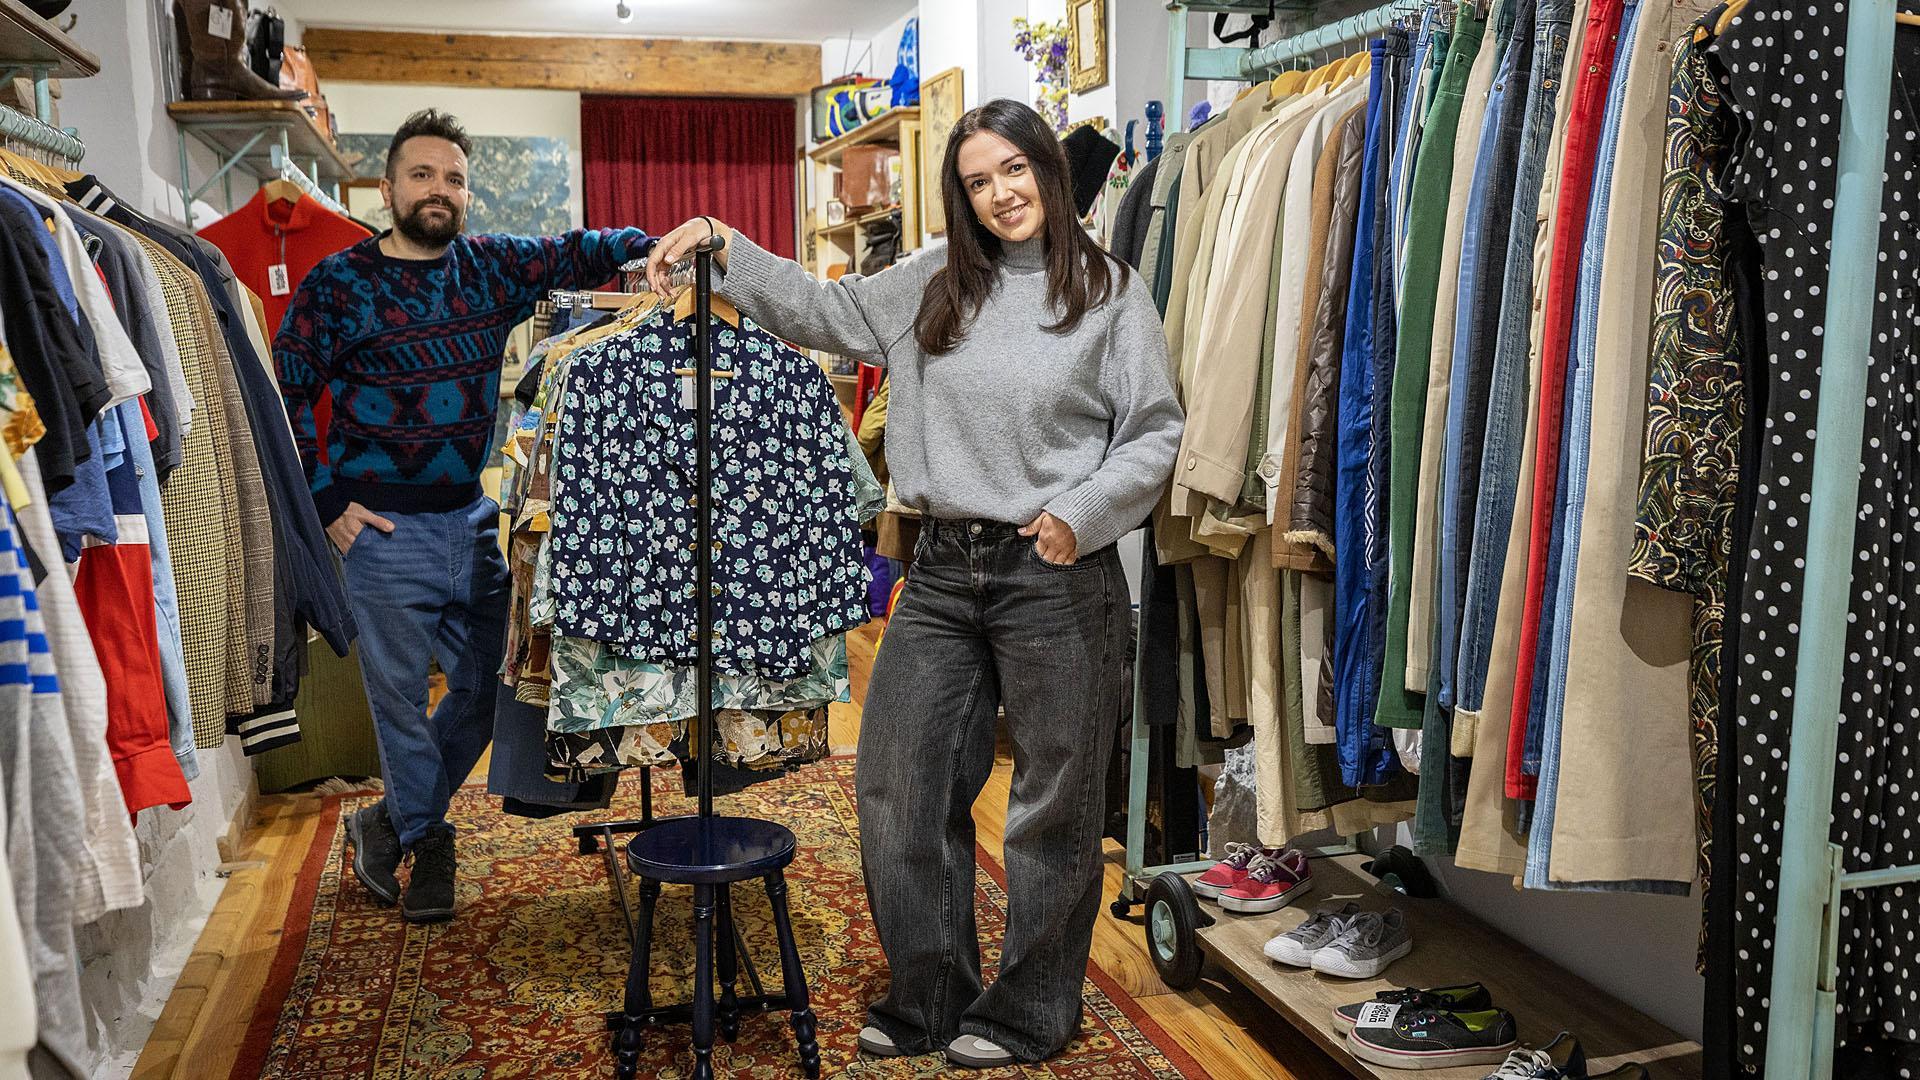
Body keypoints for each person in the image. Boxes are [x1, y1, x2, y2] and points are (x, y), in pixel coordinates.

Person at [646, 98, 1183, 1068]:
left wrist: (1083, 512)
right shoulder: (932, 282)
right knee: (898, 786)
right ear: (959, 196)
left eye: (1014, 170)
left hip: (1056, 572)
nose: (1001, 193)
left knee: (1052, 808)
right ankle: (930, 998)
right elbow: (824, 309)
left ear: (1047, 170)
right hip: (940, 570)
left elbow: (1154, 432)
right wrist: (726, 244)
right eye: (978, 182)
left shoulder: (1110, 291)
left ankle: (1029, 1013)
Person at [275, 109, 655, 923]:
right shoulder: (337, 284)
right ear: (388, 189)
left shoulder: (488, 269)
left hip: (473, 523)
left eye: (453, 179)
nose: (438, 190)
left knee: (490, 687)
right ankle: (430, 842)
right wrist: (327, 500)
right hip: (382, 535)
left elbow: (575, 250)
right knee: (399, 705)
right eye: (422, 175)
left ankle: (386, 823)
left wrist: (655, 244)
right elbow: (288, 392)